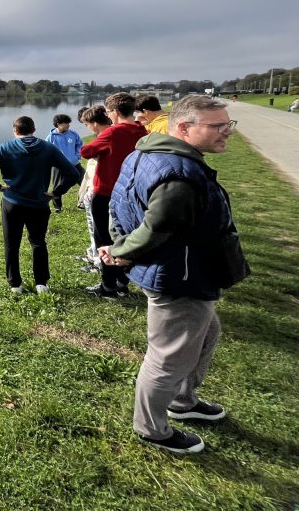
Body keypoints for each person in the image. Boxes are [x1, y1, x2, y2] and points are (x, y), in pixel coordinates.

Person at [100, 95, 240, 455]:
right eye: (217, 126)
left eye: (228, 124)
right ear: (184, 128)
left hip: (185, 271)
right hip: (181, 277)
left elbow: (117, 207)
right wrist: (121, 251)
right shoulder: (179, 174)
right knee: (168, 357)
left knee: (207, 333)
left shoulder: (144, 154)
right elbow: (155, 228)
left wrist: (120, 245)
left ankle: (182, 399)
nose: (227, 132)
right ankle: (151, 428)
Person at [0, 116, 80, 295]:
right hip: (39, 203)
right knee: (38, 242)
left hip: (12, 203)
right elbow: (72, 173)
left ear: (15, 131)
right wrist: (56, 192)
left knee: (11, 244)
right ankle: (41, 283)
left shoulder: (5, 148)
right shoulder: (48, 148)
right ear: (34, 130)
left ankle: (15, 285)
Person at [80, 93, 149, 298]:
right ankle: (122, 282)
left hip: (106, 192)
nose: (108, 116)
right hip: (131, 194)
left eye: (109, 112)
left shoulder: (113, 132)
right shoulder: (142, 130)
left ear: (116, 112)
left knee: (104, 239)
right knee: (124, 236)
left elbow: (86, 151)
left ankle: (108, 286)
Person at [77, 105, 112, 272]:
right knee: (99, 228)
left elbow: (85, 151)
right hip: (98, 184)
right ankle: (94, 253)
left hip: (100, 187)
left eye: (87, 124)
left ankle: (100, 262)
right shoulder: (108, 134)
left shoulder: (107, 135)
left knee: (97, 229)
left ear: (94, 123)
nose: (87, 128)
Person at [44, 114, 84, 212]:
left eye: (68, 122)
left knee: (85, 182)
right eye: (66, 123)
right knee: (58, 186)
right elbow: (47, 152)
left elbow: (79, 145)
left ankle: (84, 203)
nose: (68, 125)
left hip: (75, 164)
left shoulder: (73, 134)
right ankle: (58, 207)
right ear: (58, 124)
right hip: (59, 167)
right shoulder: (51, 137)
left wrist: (77, 156)